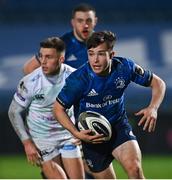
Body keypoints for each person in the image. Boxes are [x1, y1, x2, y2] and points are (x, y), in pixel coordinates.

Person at [53, 31, 166, 179]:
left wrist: (153, 108)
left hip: (118, 127)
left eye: (101, 54)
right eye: (91, 53)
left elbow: (158, 83)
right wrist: (76, 133)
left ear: (111, 55)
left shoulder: (125, 67)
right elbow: (58, 108)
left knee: (135, 170)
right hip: (92, 137)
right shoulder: (79, 79)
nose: (95, 60)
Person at [8, 37, 84, 179]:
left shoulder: (74, 77)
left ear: (61, 59)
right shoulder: (30, 81)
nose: (43, 61)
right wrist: (27, 143)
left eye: (48, 57)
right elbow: (14, 112)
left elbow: (87, 103)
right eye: (41, 56)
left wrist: (81, 129)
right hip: (42, 139)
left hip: (68, 135)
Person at [23, 3, 98, 74]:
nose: (85, 25)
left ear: (95, 21)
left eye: (89, 21)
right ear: (73, 23)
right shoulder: (61, 44)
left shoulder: (104, 43)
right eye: (80, 21)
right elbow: (29, 68)